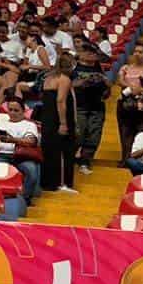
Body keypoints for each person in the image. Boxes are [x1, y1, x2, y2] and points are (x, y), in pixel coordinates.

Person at [0, 96, 43, 203]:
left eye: (16, 110)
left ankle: (24, 200)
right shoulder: (1, 124)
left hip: (23, 157)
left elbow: (31, 141)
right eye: (10, 110)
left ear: (23, 111)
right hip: (3, 155)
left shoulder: (29, 125)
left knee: (32, 173)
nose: (12, 113)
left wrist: (11, 140)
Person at [38, 51, 78, 194]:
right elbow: (60, 101)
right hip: (58, 119)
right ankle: (63, 184)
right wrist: (63, 123)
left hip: (47, 119)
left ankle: (48, 183)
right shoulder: (64, 79)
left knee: (49, 152)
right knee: (64, 151)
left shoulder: (48, 78)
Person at [115, 42, 143, 165]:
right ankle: (125, 159)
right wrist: (131, 88)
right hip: (126, 102)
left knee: (142, 130)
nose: (137, 54)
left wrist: (141, 91)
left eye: (141, 52)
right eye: (135, 51)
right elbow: (120, 81)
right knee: (125, 130)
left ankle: (140, 160)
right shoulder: (125, 68)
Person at [70, 40, 109, 175]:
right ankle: (69, 159)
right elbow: (68, 86)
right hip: (79, 107)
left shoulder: (100, 69)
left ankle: (85, 162)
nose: (91, 54)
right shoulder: (73, 68)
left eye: (92, 52)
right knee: (78, 136)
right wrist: (82, 82)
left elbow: (107, 92)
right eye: (87, 51)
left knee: (93, 137)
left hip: (97, 107)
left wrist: (105, 84)